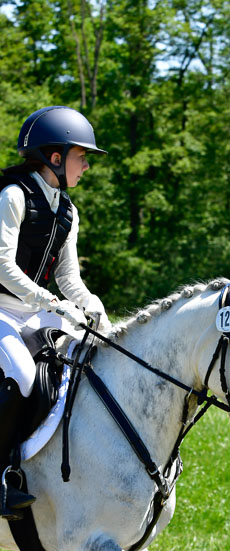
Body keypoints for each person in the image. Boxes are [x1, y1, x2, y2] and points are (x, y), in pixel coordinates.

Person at [0, 105, 111, 520]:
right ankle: (3, 475)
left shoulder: (67, 211)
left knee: (89, 359)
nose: (86, 166)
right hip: (2, 311)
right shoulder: (12, 196)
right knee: (26, 378)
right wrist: (51, 303)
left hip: (33, 311)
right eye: (82, 156)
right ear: (55, 157)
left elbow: (68, 279)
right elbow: (2, 265)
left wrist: (92, 305)